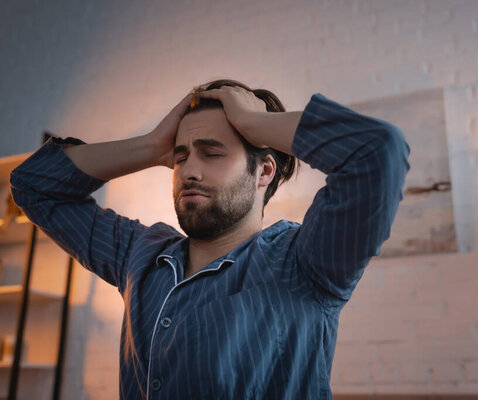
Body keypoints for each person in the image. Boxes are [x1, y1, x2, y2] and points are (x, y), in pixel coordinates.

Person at [10, 79, 410, 399]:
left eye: (211, 153)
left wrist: (256, 124)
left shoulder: (305, 263)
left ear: (264, 172)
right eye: (181, 156)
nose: (188, 171)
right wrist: (152, 145)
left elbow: (377, 151)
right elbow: (34, 186)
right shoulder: (139, 253)